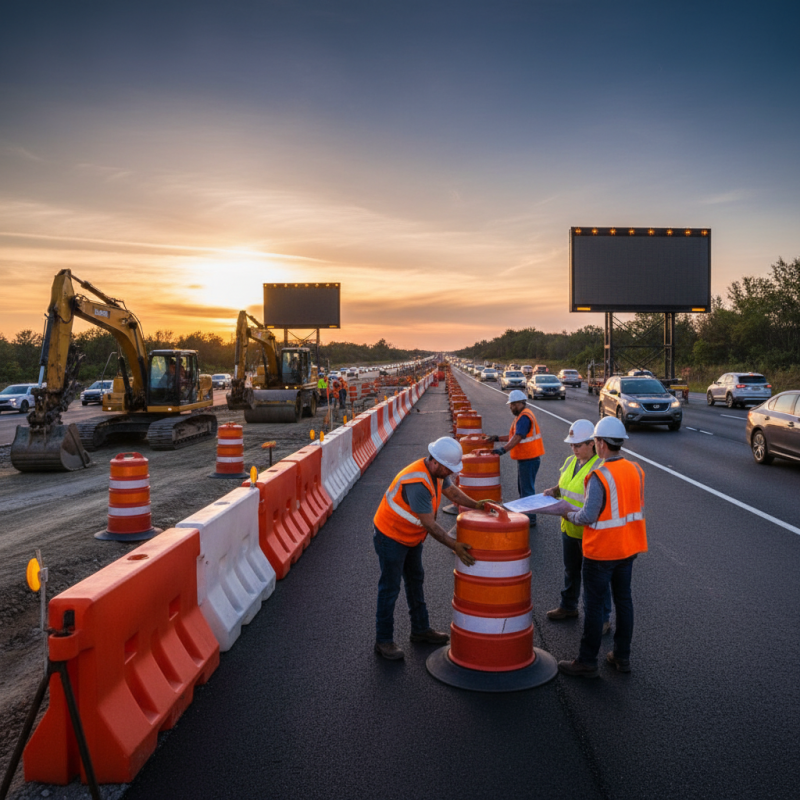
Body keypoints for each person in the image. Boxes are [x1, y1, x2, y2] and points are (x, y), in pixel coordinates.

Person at [544, 417, 647, 678]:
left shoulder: (599, 475)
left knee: (592, 607)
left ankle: (587, 661)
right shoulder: (636, 469)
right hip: (629, 547)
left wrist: (566, 514)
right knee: (624, 602)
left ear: (600, 443)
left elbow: (588, 516)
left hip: (601, 552)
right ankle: (622, 656)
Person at [372, 437, 488, 660]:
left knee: (416, 580)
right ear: (435, 462)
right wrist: (455, 545)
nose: (449, 473)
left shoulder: (437, 472)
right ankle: (383, 640)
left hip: (410, 537)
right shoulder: (417, 482)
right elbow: (431, 526)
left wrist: (476, 505)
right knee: (390, 588)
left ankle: (420, 629)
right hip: (390, 536)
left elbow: (452, 492)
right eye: (448, 469)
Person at [542, 419, 611, 635]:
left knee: (596, 579)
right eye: (571, 445)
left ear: (592, 443)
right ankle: (568, 606)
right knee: (571, 571)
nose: (573, 449)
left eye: (578, 445)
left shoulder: (599, 467)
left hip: (591, 532)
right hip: (569, 527)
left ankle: (603, 618)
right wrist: (554, 491)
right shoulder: (571, 461)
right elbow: (566, 486)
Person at [490, 389, 544, 526]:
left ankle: (530, 518)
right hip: (528, 458)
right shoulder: (522, 416)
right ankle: (527, 515)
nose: (511, 407)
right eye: (511, 404)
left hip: (529, 459)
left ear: (521, 403)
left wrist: (503, 450)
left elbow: (518, 437)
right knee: (524, 489)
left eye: (513, 404)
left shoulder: (524, 417)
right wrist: (497, 438)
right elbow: (514, 436)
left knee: (527, 490)